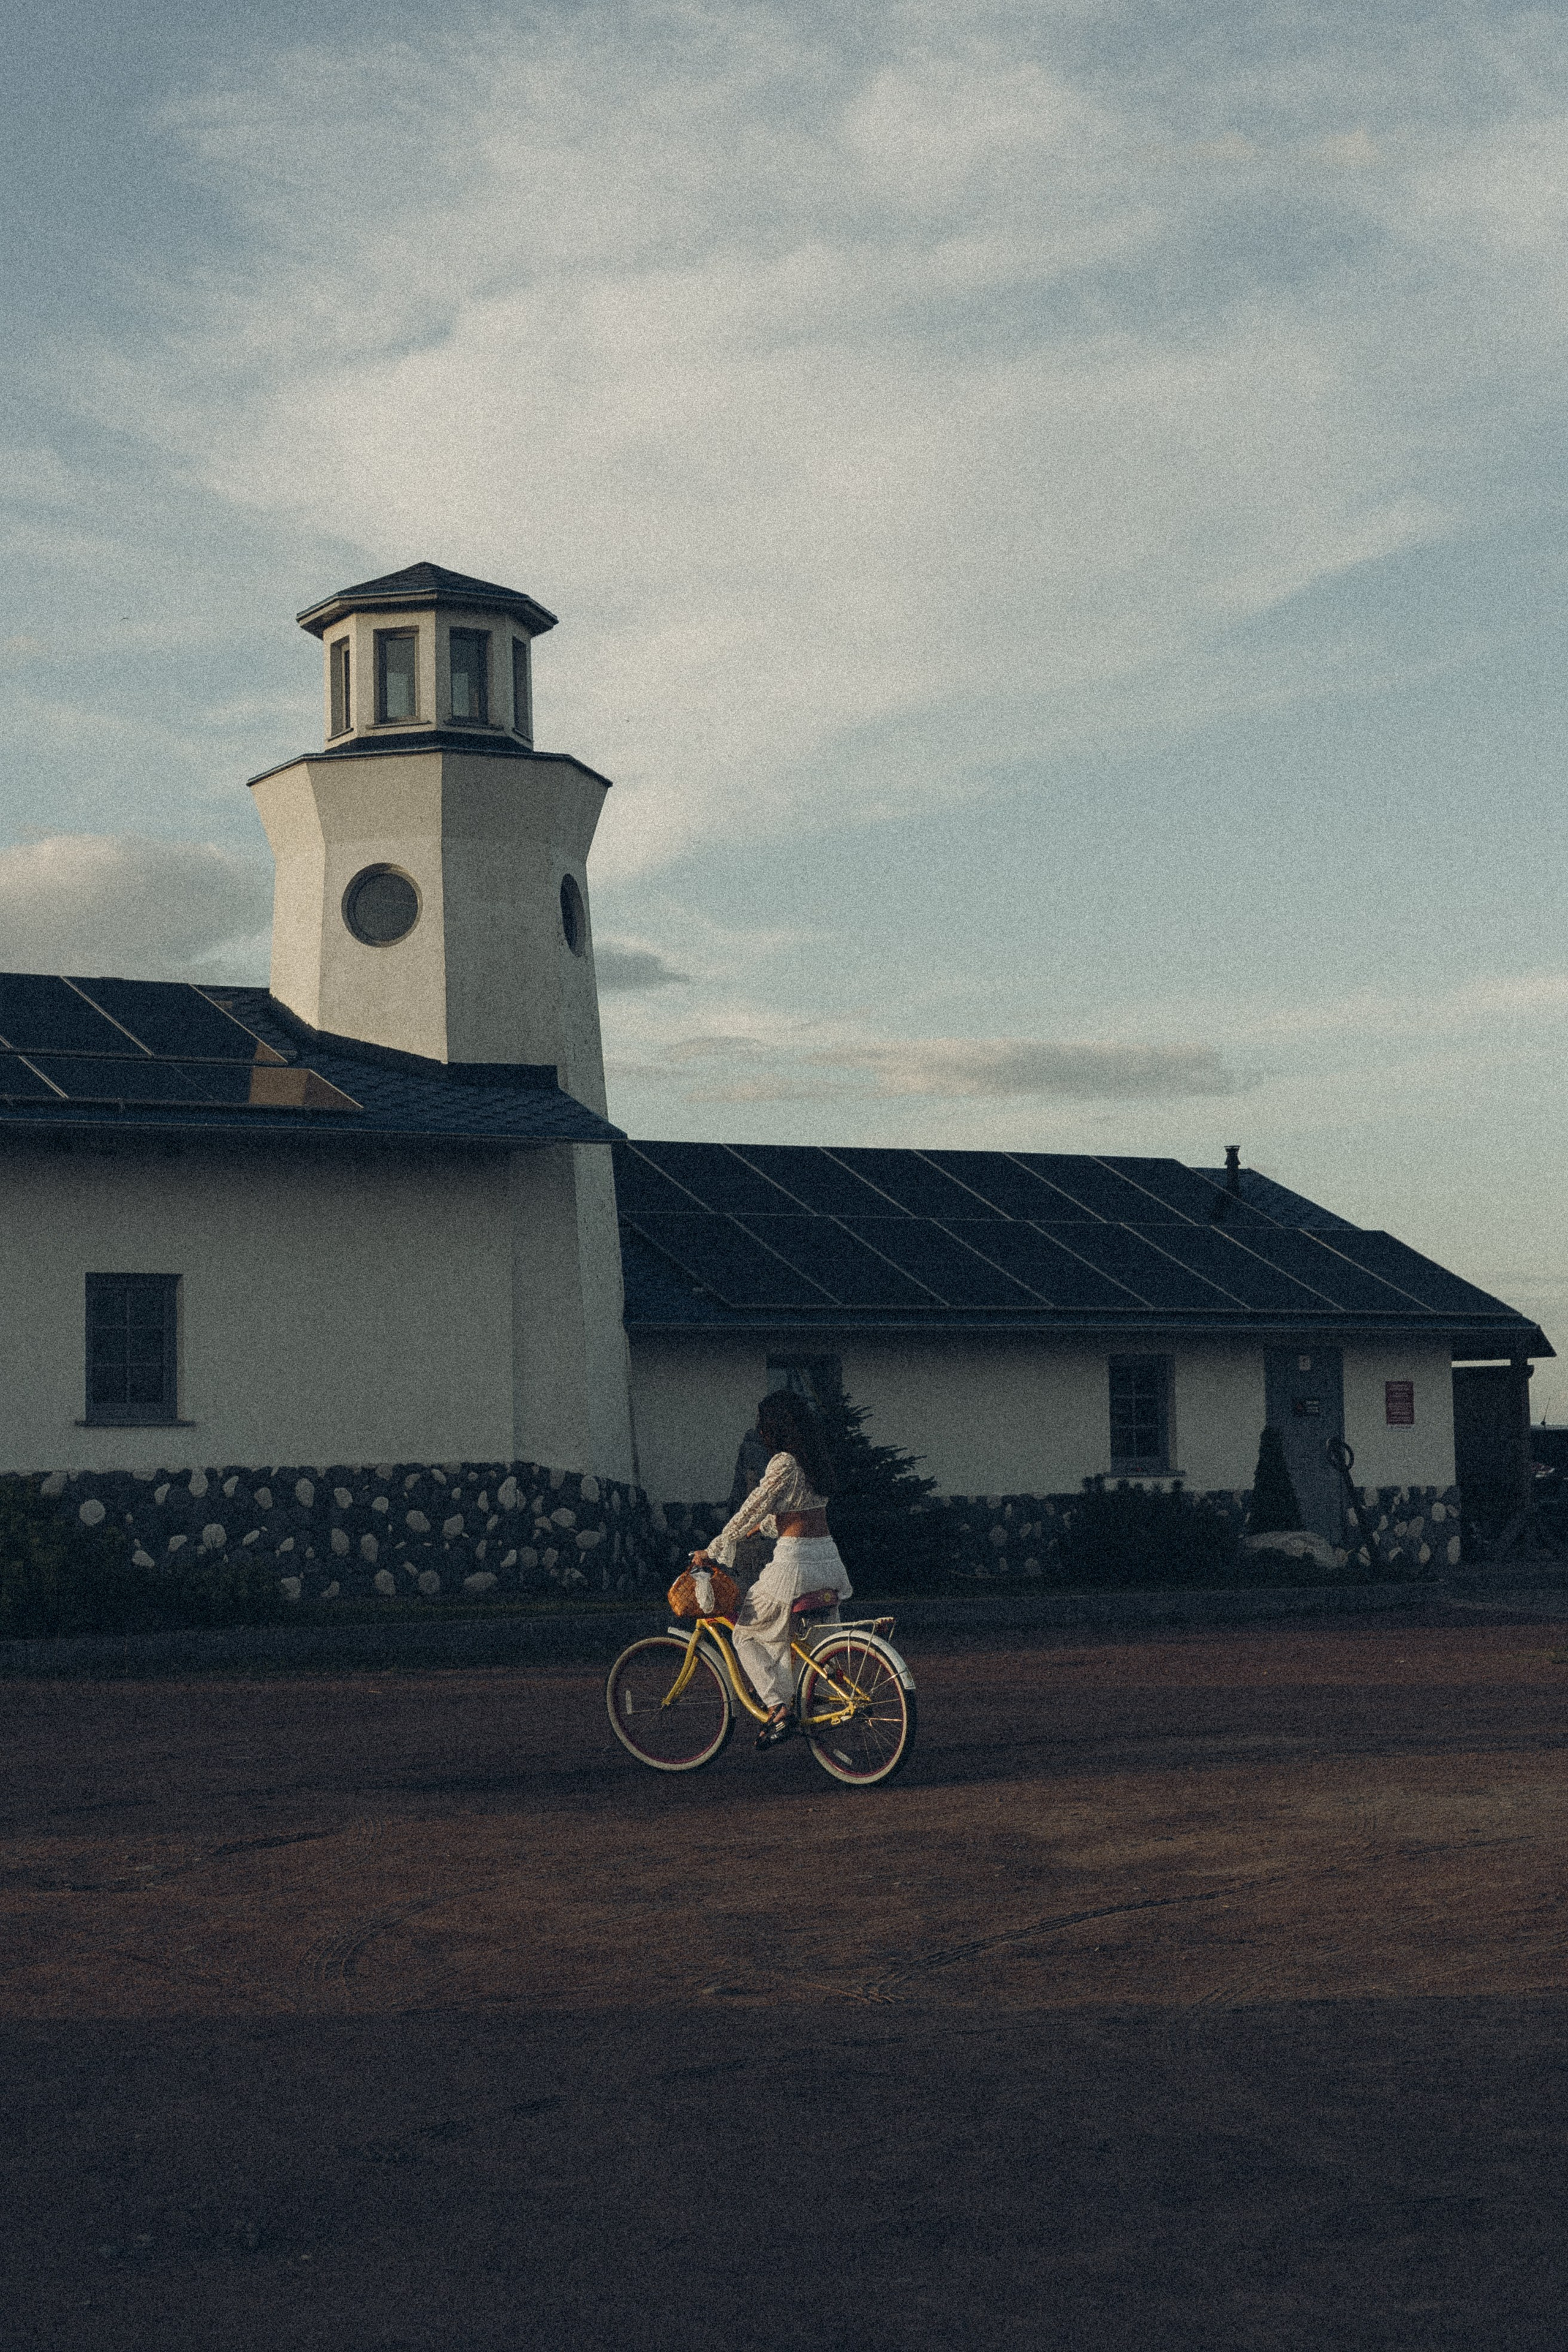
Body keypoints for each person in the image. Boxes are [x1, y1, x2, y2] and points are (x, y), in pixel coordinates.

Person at [691, 1387, 851, 1748]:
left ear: (775, 1427)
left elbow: (754, 1505)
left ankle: (779, 1708)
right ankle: (806, 1697)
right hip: (828, 1560)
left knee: (745, 1632)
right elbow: (795, 1513)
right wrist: (760, 1528)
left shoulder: (784, 1462)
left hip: (796, 1565)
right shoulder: (813, 1463)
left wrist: (714, 1549)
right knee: (798, 1638)